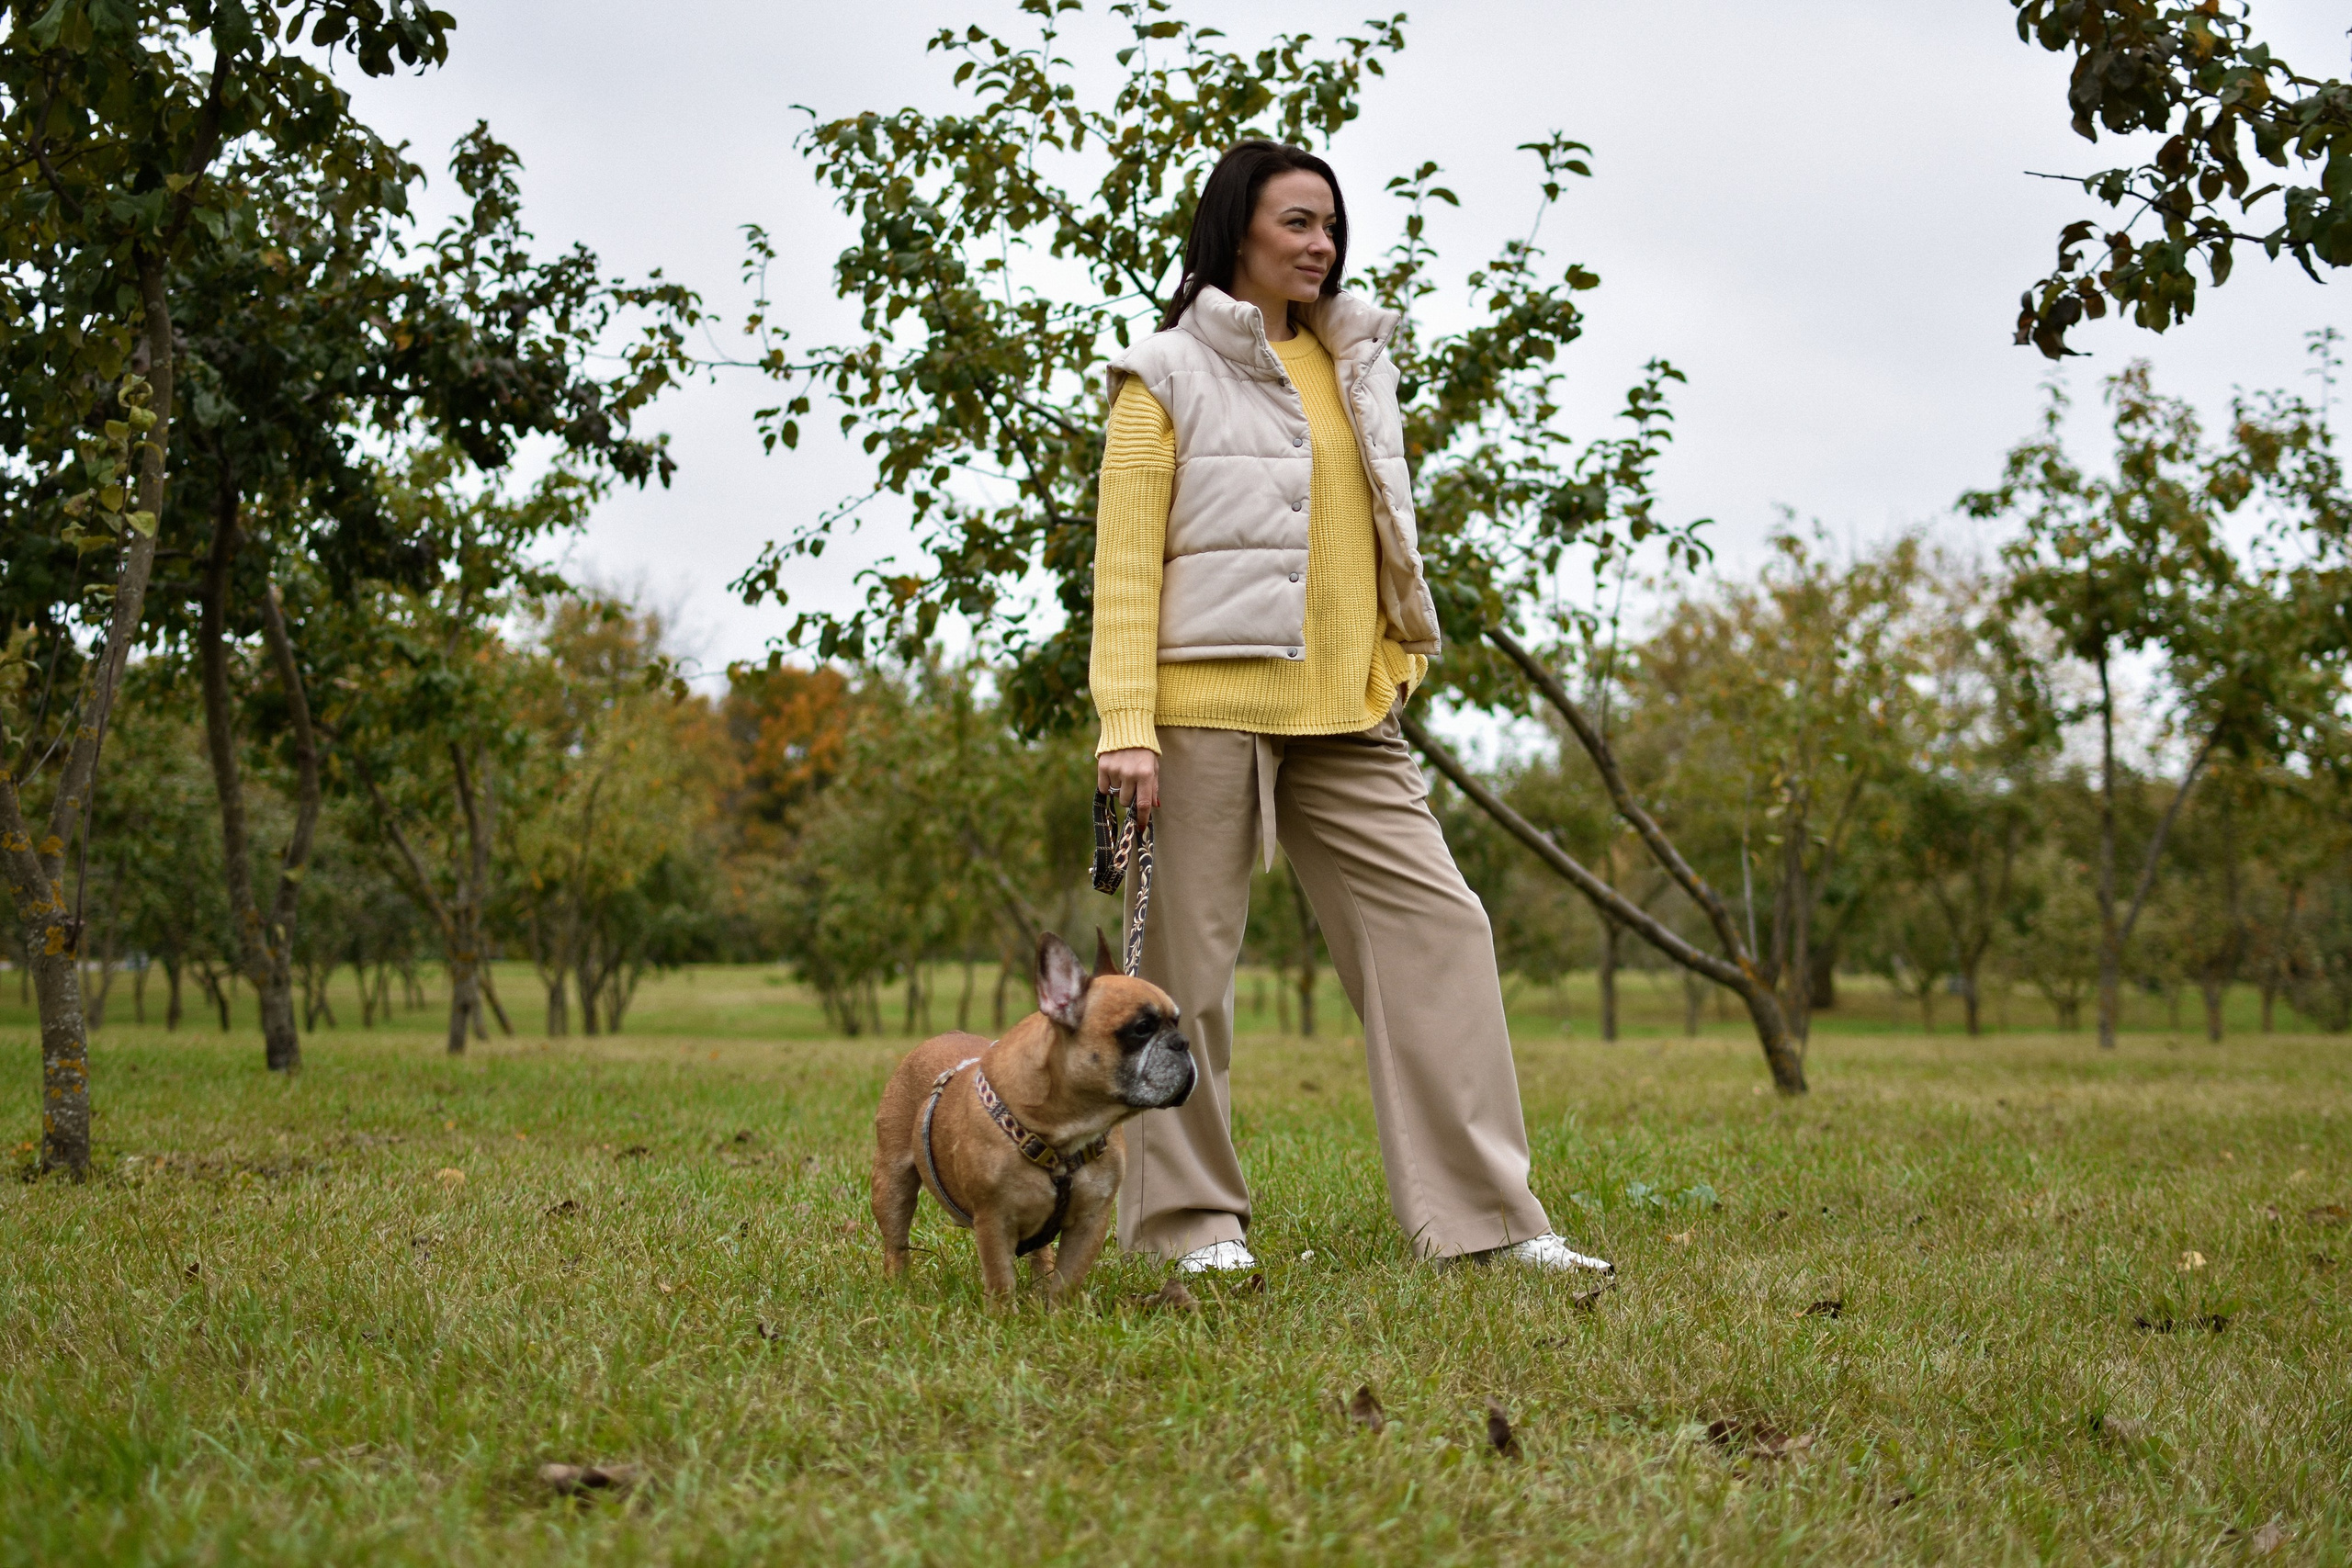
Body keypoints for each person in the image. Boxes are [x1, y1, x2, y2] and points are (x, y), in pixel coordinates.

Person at [1091, 139, 1612, 1278]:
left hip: (1346, 712)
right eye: (1296, 223)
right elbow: (1123, 569)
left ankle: (1487, 1223)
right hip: (1202, 709)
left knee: (1442, 934)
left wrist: (1391, 655)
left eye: (1330, 225)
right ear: (1237, 231)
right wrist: (1125, 724)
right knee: (1186, 983)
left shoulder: (1355, 363)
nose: (1321, 244)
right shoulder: (1161, 374)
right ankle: (1192, 1230)